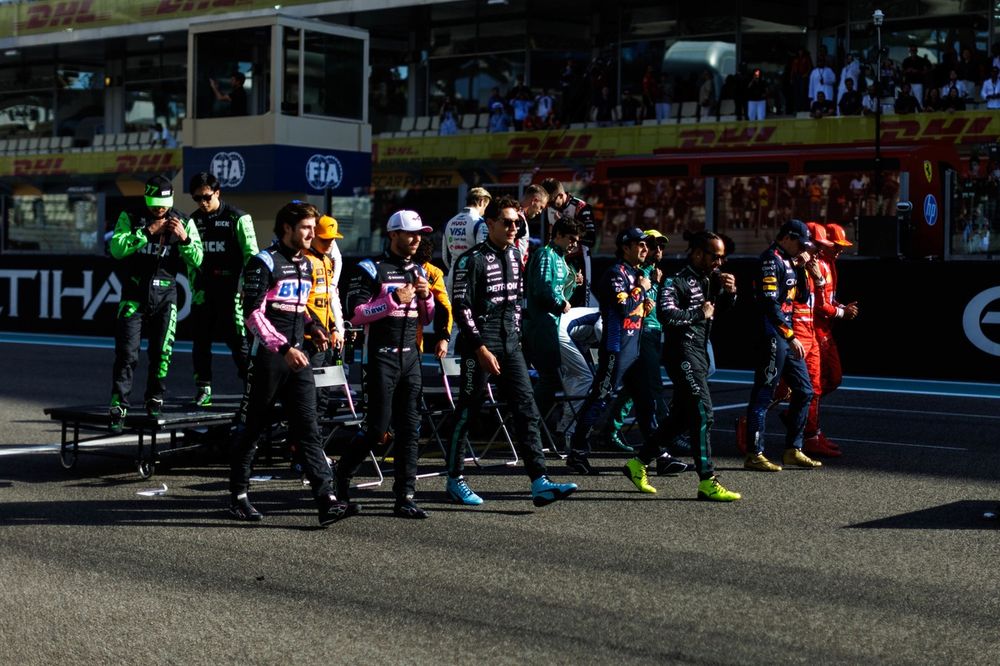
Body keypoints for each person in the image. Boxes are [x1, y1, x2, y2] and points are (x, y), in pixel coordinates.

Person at [443, 196, 578, 507]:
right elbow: (460, 308)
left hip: (510, 345)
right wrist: (479, 347)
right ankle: (455, 478)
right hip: (480, 346)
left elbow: (518, 301)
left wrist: (515, 336)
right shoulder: (470, 260)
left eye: (518, 222)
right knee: (468, 411)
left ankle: (539, 481)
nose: (514, 227)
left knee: (527, 409)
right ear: (489, 224)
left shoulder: (517, 256)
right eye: (507, 222)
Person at [228, 201, 346, 525]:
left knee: (308, 428)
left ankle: (327, 500)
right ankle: (238, 497)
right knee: (252, 429)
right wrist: (282, 348)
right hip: (268, 359)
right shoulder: (263, 262)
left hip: (297, 358)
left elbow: (299, 308)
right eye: (306, 228)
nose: (312, 233)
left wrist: (314, 327)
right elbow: (252, 314)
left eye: (313, 227)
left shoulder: (306, 264)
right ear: (287, 229)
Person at [621, 231, 741, 501]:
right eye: (715, 257)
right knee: (703, 414)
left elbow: (715, 311)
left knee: (680, 419)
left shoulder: (711, 280)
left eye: (723, 258)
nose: (720, 263)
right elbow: (666, 315)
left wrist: (730, 295)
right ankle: (707, 480)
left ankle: (638, 463)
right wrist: (700, 313)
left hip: (699, 353)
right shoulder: (676, 281)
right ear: (698, 253)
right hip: (682, 354)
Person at [338, 210, 435, 519]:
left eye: (420, 234)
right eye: (410, 233)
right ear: (393, 234)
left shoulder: (419, 269)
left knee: (410, 429)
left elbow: (428, 318)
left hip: (411, 358)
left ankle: (405, 496)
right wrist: (395, 299)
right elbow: (355, 313)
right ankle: (341, 476)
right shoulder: (369, 269)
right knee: (377, 428)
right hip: (380, 358)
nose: (417, 239)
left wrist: (426, 298)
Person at [107, 175, 203, 432]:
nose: (159, 209)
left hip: (166, 297)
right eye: (154, 204)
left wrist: (184, 239)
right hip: (133, 296)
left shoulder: (184, 220)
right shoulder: (130, 216)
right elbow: (116, 250)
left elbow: (199, 260)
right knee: (127, 353)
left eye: (163, 205)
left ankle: (155, 399)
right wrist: (146, 233)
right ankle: (119, 404)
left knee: (162, 354)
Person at [565, 228, 658, 477]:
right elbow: (624, 306)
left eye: (646, 245)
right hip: (615, 349)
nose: (645, 249)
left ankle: (659, 454)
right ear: (625, 247)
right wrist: (641, 291)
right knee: (600, 399)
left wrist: (644, 304)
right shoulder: (616, 273)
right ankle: (577, 454)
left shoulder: (636, 274)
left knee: (647, 402)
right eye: (639, 244)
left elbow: (635, 310)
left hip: (634, 349)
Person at [739, 219, 823, 472]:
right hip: (772, 336)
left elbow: (802, 297)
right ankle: (754, 453)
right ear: (786, 237)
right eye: (799, 242)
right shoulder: (769, 260)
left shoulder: (790, 260)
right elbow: (768, 303)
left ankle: (793, 449)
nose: (802, 248)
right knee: (764, 394)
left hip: (786, 335)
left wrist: (803, 269)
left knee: (805, 391)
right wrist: (789, 336)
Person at [187, 171, 259, 407]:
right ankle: (203, 389)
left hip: (232, 291)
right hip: (203, 291)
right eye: (196, 198)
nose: (202, 203)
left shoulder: (238, 217)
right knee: (200, 341)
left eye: (206, 197)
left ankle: (253, 388)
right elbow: (189, 259)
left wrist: (248, 287)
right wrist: (193, 285)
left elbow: (252, 257)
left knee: (238, 341)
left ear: (217, 193)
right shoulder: (193, 220)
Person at [605, 230, 672, 456]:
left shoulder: (655, 273)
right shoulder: (636, 272)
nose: (657, 251)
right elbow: (626, 304)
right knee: (649, 388)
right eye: (653, 246)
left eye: (661, 247)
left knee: (637, 390)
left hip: (652, 330)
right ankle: (663, 441)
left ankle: (611, 431)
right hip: (636, 334)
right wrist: (646, 287)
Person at [523, 216, 583, 448]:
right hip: (540, 325)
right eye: (571, 239)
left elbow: (559, 293)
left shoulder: (560, 259)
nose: (574, 245)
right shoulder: (545, 255)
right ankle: (530, 429)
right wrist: (560, 303)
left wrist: (572, 283)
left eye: (576, 241)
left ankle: (534, 428)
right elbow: (542, 290)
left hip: (550, 325)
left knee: (552, 379)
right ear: (558, 234)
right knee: (550, 379)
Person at [810, 222, 859, 452]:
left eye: (841, 246)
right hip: (812, 331)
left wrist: (841, 307)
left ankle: (802, 417)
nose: (840, 250)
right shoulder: (816, 264)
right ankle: (810, 431)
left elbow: (828, 301)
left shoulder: (829, 263)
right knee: (812, 387)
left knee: (833, 379)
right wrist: (842, 312)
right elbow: (819, 306)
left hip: (823, 330)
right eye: (836, 245)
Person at [303, 215, 346, 418]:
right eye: (325, 239)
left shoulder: (327, 261)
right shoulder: (304, 261)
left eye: (332, 239)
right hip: (308, 339)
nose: (329, 243)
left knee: (324, 396)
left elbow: (328, 301)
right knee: (308, 396)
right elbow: (300, 303)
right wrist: (316, 328)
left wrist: (335, 328)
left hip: (326, 338)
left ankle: (317, 441)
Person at [540, 178, 597, 307]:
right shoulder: (549, 209)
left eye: (551, 201)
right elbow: (547, 237)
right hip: (557, 258)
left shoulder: (581, 207)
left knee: (582, 299)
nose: (549, 205)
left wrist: (568, 229)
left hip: (579, 259)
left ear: (560, 195)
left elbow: (591, 239)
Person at [442, 186, 491, 291]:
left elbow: (445, 257)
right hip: (472, 278)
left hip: (452, 277)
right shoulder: (479, 222)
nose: (484, 211)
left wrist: (455, 268)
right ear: (481, 201)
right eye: (486, 206)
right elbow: (483, 254)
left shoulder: (450, 222)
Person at [413, 237, 452, 358]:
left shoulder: (432, 273)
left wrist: (444, 338)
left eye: (422, 265)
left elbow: (445, 308)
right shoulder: (385, 268)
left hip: (414, 345)